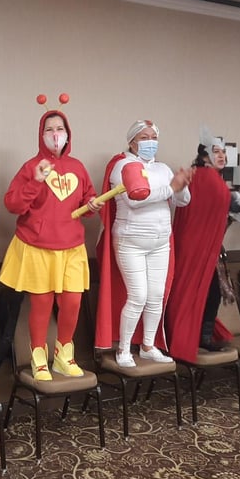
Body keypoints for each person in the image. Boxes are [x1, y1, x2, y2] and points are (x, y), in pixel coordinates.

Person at [0, 96, 101, 381]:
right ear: (41, 134)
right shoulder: (31, 166)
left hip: (72, 247)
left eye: (60, 128)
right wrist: (36, 180)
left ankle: (64, 356)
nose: (56, 134)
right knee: (41, 305)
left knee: (72, 303)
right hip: (38, 246)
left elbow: (87, 199)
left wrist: (92, 204)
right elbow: (13, 205)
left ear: (68, 134)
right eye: (49, 129)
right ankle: (38, 357)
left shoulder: (78, 167)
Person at [100, 120, 191, 368]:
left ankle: (149, 345)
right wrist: (170, 187)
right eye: (143, 137)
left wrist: (180, 187)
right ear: (131, 141)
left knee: (156, 295)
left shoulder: (163, 168)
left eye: (153, 137)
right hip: (131, 240)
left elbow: (182, 201)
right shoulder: (123, 165)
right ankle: (123, 349)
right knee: (138, 295)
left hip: (160, 241)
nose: (150, 141)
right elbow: (136, 200)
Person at [164, 131, 240, 362]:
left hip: (202, 246)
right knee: (205, 291)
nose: (222, 156)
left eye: (224, 152)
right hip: (198, 246)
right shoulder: (206, 178)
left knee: (209, 291)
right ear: (204, 157)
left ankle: (202, 336)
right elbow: (236, 207)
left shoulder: (206, 178)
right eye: (216, 151)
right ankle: (195, 338)